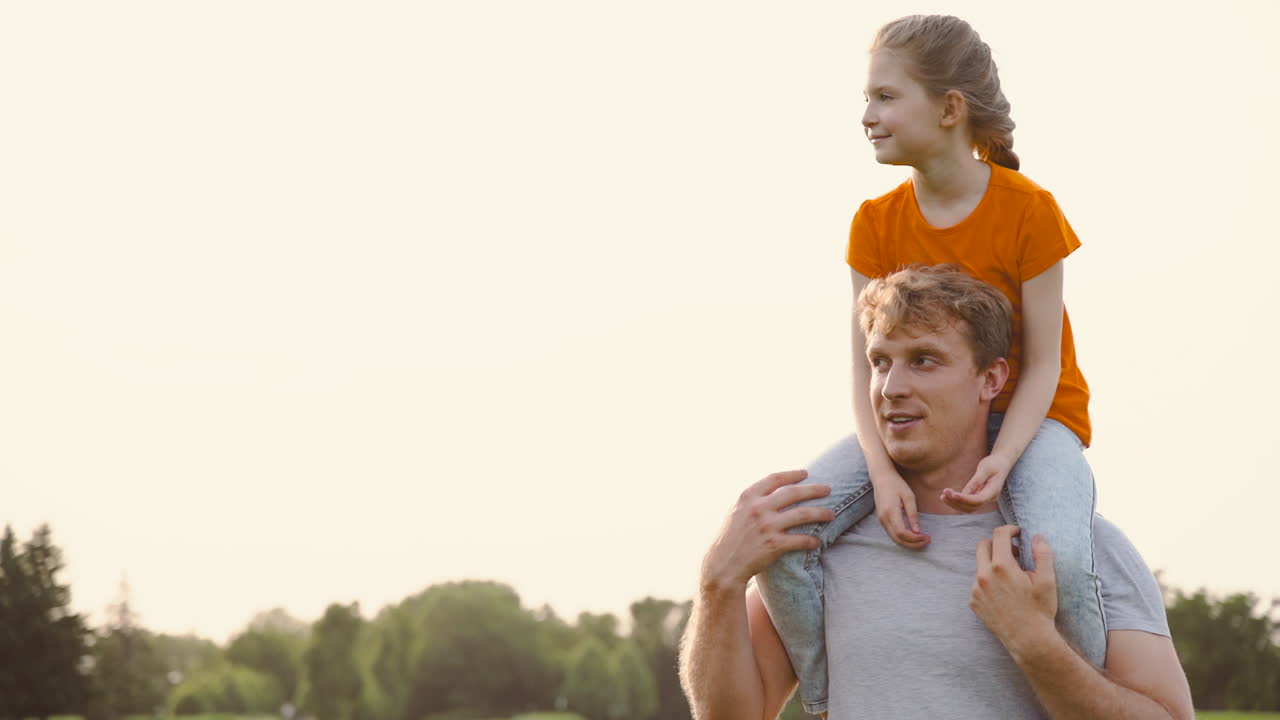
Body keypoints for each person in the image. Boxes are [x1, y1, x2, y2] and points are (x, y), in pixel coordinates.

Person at [758, 15, 1105, 714]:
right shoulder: (874, 223)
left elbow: (1041, 365)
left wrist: (1004, 459)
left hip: (1036, 420)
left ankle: (1082, 698)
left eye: (886, 97)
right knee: (784, 541)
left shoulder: (1031, 211)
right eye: (867, 99)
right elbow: (866, 372)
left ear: (949, 109)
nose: (867, 116)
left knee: (1062, 557)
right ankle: (829, 698)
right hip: (915, 421)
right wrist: (882, 473)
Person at [679, 266, 1193, 719]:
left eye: (924, 360)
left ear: (990, 378)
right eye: (881, 362)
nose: (891, 387)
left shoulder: (1082, 549)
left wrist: (1035, 643)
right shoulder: (818, 552)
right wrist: (717, 583)